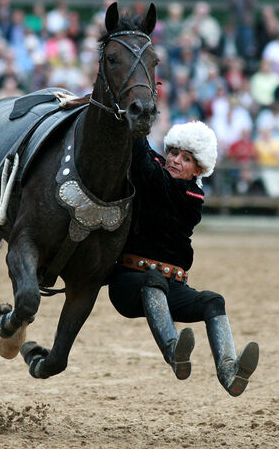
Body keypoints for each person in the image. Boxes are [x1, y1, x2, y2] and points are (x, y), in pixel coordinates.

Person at [108, 121, 259, 396]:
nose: (175, 160)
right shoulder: (162, 175)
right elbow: (148, 159)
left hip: (171, 287)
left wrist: (138, 126)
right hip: (128, 284)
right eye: (174, 153)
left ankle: (229, 370)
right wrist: (137, 119)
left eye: (185, 158)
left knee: (214, 301)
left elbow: (147, 164)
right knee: (154, 280)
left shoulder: (190, 195)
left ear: (198, 171)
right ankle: (173, 351)